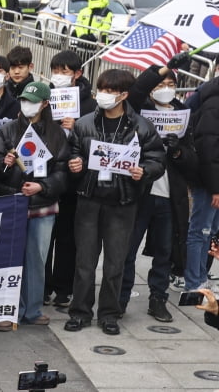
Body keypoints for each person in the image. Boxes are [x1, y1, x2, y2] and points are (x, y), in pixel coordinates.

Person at [64, 69, 165, 336]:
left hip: (123, 201)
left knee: (115, 263)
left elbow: (157, 160)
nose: (104, 95)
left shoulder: (141, 127)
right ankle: (80, 311)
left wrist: (144, 171)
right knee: (84, 261)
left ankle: (109, 313)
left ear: (124, 95)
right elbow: (72, 152)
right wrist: (74, 163)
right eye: (102, 89)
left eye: (110, 91)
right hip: (89, 199)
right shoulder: (85, 123)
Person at [0, 82, 69, 329]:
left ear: (44, 104)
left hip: (42, 206)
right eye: (24, 100)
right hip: (11, 203)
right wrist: (4, 163)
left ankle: (32, 309)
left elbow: (63, 171)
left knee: (37, 258)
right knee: (9, 259)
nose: (26, 105)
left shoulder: (56, 134)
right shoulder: (8, 130)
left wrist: (43, 187)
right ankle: (7, 310)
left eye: (33, 101)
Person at [119, 59, 196, 322]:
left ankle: (158, 298)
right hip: (140, 190)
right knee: (128, 249)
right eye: (161, 84)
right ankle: (120, 298)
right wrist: (163, 69)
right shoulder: (141, 108)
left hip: (169, 195)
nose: (165, 87)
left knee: (164, 250)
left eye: (170, 84)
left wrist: (177, 150)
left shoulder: (184, 112)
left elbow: (191, 157)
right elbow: (137, 89)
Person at [44, 50, 97, 307]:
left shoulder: (90, 104)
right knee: (44, 235)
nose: (60, 76)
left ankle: (64, 287)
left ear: (78, 74)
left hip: (75, 178)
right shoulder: (44, 96)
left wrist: (75, 127)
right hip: (47, 174)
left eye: (65, 72)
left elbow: (97, 143)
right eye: (56, 71)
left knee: (68, 236)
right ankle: (42, 286)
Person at [184, 70, 219, 300]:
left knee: (211, 231)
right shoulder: (213, 103)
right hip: (210, 181)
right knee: (200, 231)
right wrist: (215, 187)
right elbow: (209, 147)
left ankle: (201, 276)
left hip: (213, 181)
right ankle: (193, 282)